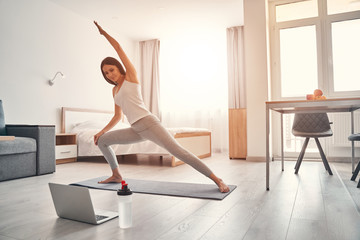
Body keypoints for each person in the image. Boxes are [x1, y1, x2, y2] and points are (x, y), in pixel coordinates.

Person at [93, 21, 230, 193]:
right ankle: (116, 175)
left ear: (119, 68)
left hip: (149, 124)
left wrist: (104, 34)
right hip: (135, 129)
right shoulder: (114, 91)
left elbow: (119, 49)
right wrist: (101, 132)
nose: (110, 75)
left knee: (180, 152)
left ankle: (217, 179)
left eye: (111, 70)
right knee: (103, 141)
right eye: (106, 73)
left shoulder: (130, 77)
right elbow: (117, 117)